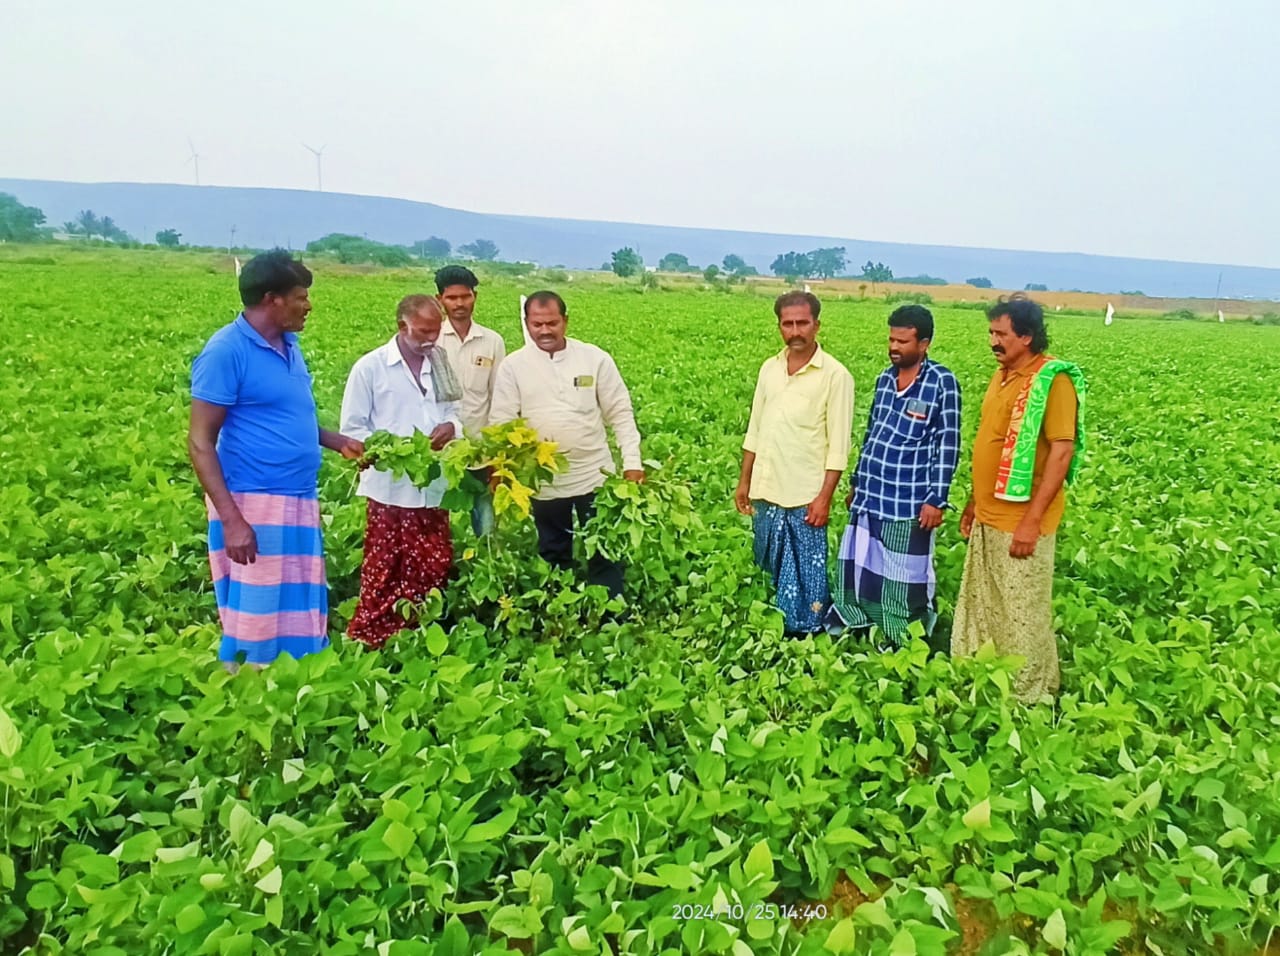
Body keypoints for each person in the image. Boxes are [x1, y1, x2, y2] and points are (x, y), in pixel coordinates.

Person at [188, 249, 363, 668]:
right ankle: (248, 689)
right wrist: (233, 520)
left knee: (298, 599)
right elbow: (199, 442)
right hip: (253, 500)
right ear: (272, 299)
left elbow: (285, 414)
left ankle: (296, 685)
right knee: (259, 609)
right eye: (300, 296)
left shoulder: (289, 345)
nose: (308, 305)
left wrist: (335, 441)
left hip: (296, 496)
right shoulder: (225, 352)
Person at [952, 294, 1087, 702]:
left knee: (1022, 612)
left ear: (1027, 336)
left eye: (1002, 334)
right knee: (987, 601)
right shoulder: (1004, 374)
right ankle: (987, 678)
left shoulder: (1052, 380)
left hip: (1023, 522)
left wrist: (1031, 520)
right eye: (991, 332)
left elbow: (1061, 452)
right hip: (990, 513)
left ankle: (1031, 694)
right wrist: (975, 502)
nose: (993, 341)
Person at [489, 290, 643, 598]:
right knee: (553, 547)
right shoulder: (513, 367)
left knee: (605, 544)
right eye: (537, 324)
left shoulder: (594, 359)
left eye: (552, 323)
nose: (545, 331)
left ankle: (610, 607)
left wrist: (633, 464)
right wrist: (499, 468)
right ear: (526, 323)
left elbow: (620, 413)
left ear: (565, 321)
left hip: (595, 474)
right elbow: (501, 423)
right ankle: (560, 603)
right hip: (544, 478)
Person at [828, 305, 961, 647]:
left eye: (903, 341)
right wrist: (857, 481)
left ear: (924, 343)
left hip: (909, 500)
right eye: (891, 339)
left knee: (903, 576)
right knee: (863, 565)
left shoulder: (941, 383)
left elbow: (948, 444)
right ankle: (863, 624)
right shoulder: (885, 379)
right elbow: (872, 433)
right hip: (872, 493)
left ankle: (904, 637)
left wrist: (936, 499)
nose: (894, 347)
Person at [339, 295, 464, 648]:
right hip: (390, 490)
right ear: (401, 327)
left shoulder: (439, 361)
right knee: (386, 566)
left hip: (434, 485)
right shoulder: (371, 367)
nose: (430, 340)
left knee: (433, 561)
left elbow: (456, 410)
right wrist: (395, 451)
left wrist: (451, 428)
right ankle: (376, 635)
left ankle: (422, 634)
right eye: (423, 332)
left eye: (435, 332)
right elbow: (353, 429)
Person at [734, 291, 854, 634]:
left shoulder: (835, 376)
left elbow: (838, 447)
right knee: (767, 562)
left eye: (803, 323)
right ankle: (769, 629)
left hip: (805, 494)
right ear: (779, 326)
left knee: (807, 574)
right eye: (788, 323)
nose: (795, 330)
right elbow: (755, 429)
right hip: (766, 487)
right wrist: (745, 481)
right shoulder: (770, 369)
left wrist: (824, 498)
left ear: (817, 325)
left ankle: (806, 633)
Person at [435, 266, 507, 535]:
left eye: (465, 296)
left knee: (485, 520)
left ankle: (484, 565)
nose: (459, 304)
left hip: (480, 448)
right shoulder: (431, 339)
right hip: (439, 448)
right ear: (439, 299)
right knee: (437, 517)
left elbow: (499, 397)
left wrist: (498, 452)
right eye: (452, 298)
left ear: (475, 296)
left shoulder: (492, 342)